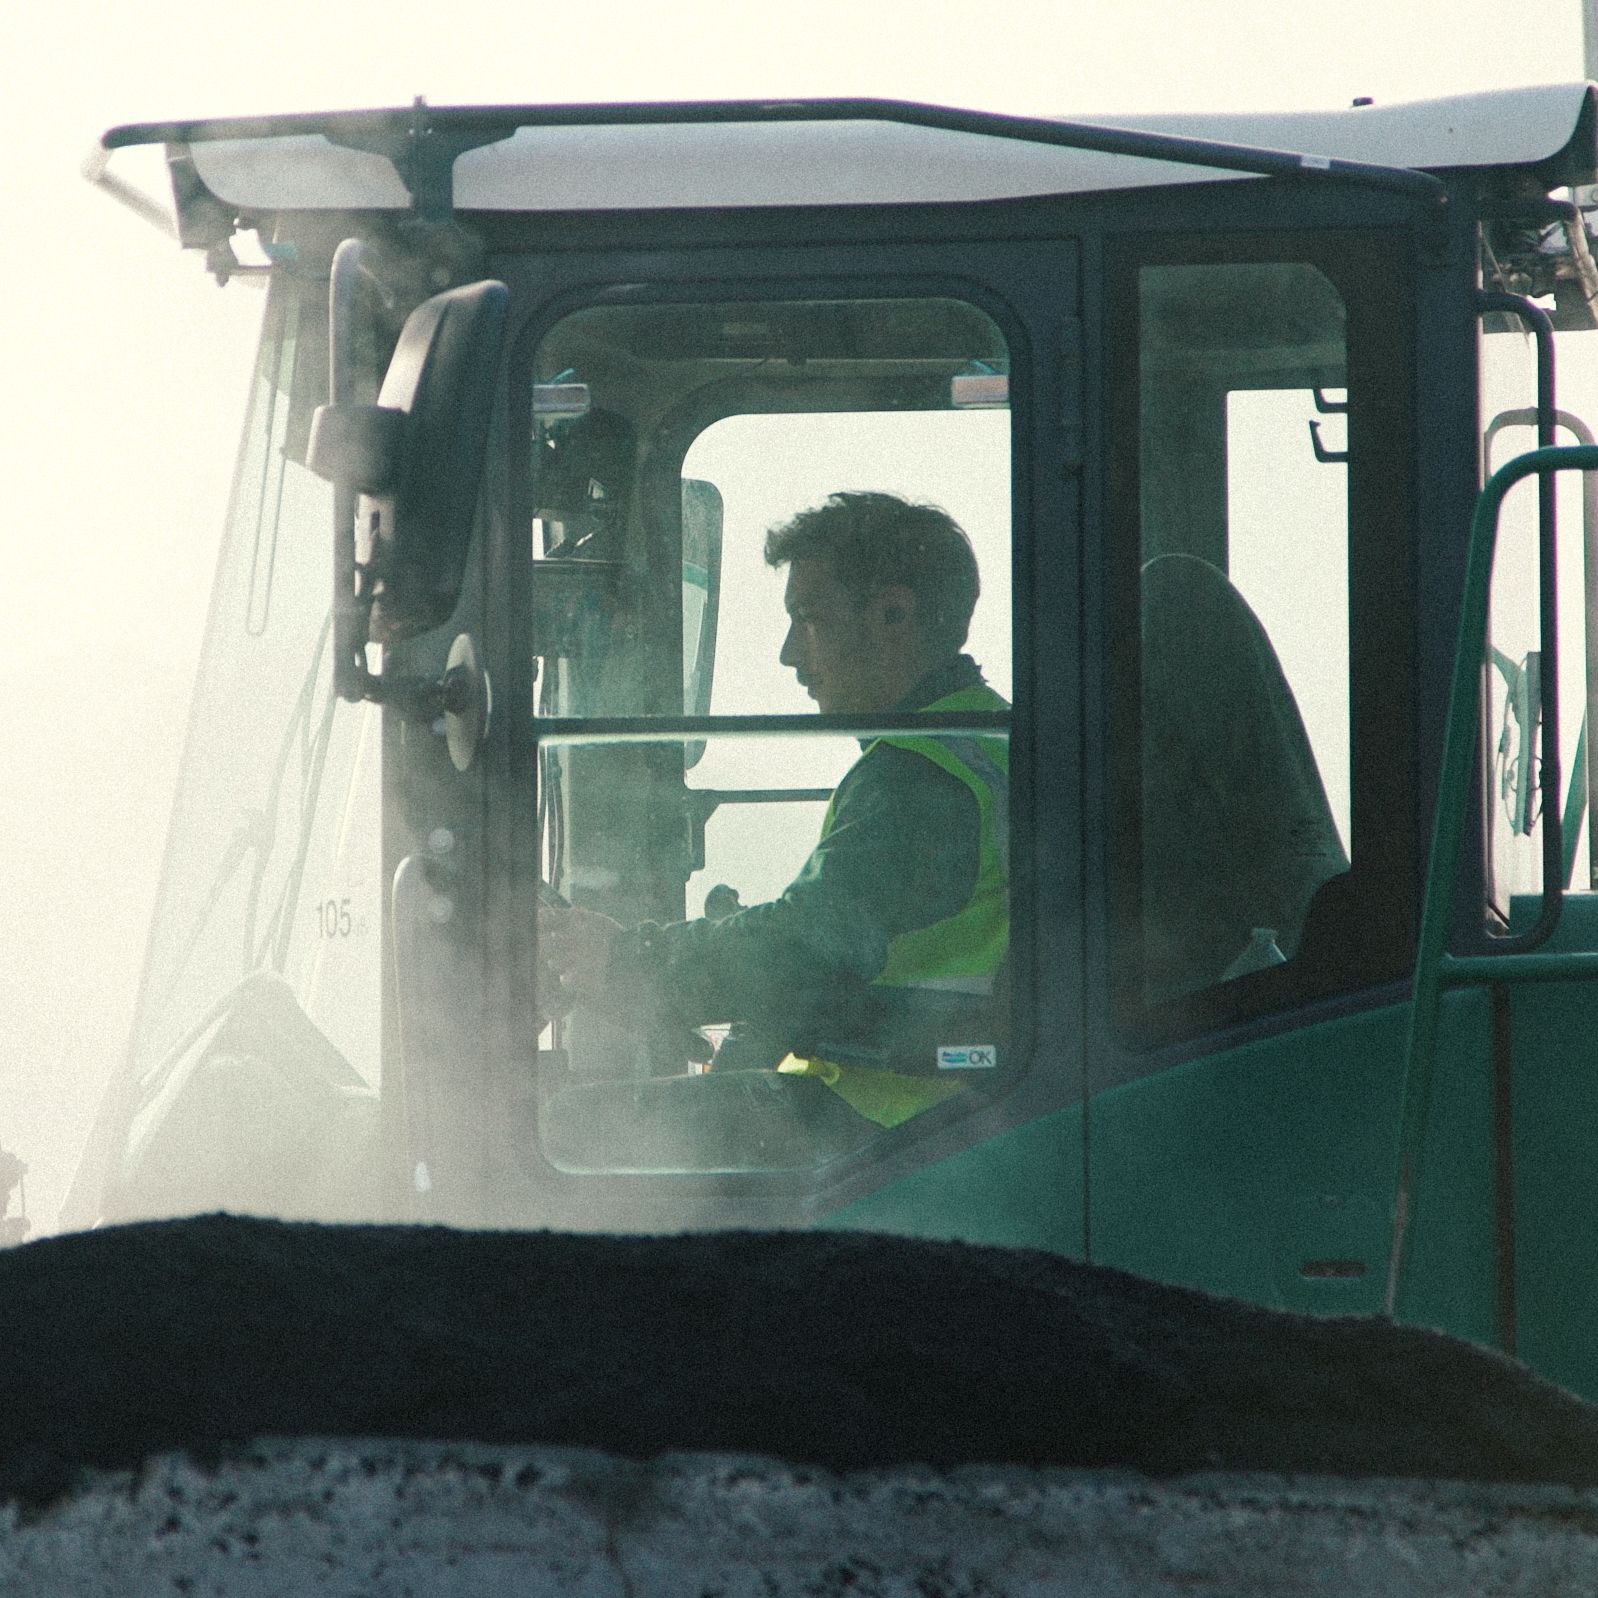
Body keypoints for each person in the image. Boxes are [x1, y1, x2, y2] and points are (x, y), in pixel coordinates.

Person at [538, 490, 1009, 1130]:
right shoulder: (983, 744)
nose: (789, 653)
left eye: (808, 619)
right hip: (935, 1104)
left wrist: (626, 961)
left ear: (893, 614)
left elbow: (803, 949)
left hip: (894, 1121)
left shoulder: (919, 780)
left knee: (569, 1131)